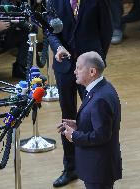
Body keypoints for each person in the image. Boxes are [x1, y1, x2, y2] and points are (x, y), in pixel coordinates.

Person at [46, 0, 112, 187]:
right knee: (67, 117)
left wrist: (98, 61)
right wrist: (57, 47)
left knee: (95, 116)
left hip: (90, 69)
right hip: (64, 68)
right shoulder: (54, 1)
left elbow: (106, 30)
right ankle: (71, 167)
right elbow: (50, 30)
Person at [57, 51, 122, 189]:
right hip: (98, 166)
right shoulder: (101, 88)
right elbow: (100, 123)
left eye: (79, 68)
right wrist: (78, 124)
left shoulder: (100, 99)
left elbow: (102, 135)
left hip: (98, 168)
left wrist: (74, 136)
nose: (74, 71)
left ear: (92, 71)